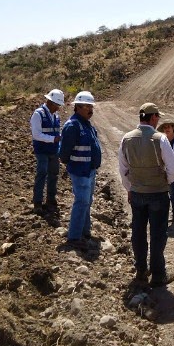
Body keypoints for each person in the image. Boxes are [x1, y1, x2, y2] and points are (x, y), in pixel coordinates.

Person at [118, 103, 174, 287]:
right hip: (158, 193)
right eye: (157, 117)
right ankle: (158, 274)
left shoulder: (126, 139)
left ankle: (141, 271)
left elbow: (123, 169)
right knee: (158, 234)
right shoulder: (160, 139)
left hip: (137, 193)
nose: (158, 120)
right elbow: (173, 168)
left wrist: (130, 188)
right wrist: (165, 182)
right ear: (152, 118)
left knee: (138, 232)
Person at [59, 91, 102, 251]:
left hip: (89, 170)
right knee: (82, 201)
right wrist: (70, 164)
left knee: (87, 202)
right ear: (77, 107)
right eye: (87, 106)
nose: (90, 109)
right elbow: (64, 153)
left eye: (91, 106)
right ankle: (74, 237)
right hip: (79, 171)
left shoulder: (87, 124)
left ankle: (85, 232)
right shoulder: (72, 126)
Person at [30, 89, 64, 214]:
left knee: (53, 175)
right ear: (49, 102)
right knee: (42, 174)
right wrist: (53, 139)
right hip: (42, 150)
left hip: (53, 150)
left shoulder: (55, 116)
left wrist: (59, 142)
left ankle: (51, 200)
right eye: (57, 105)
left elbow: (56, 132)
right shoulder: (38, 114)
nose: (58, 108)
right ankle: (38, 202)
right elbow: (36, 134)